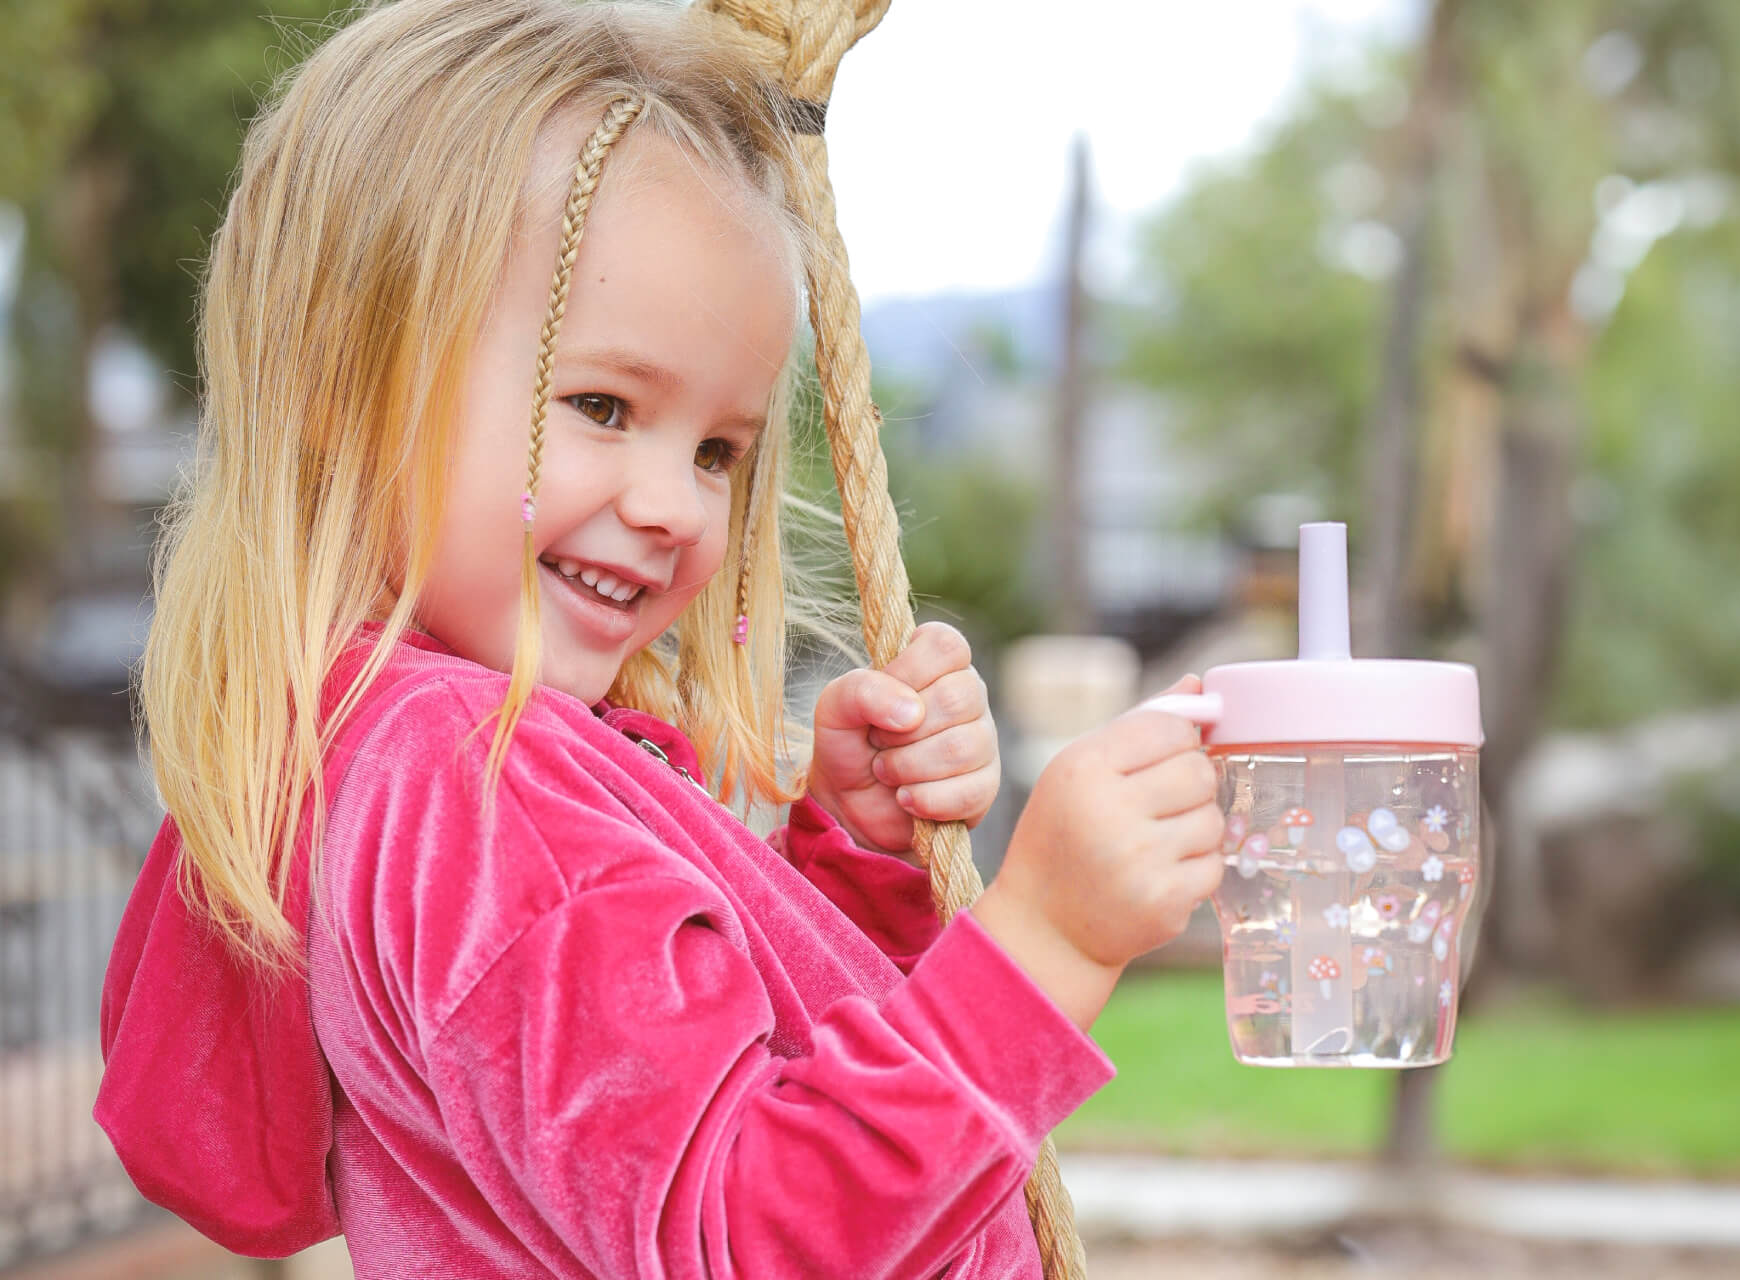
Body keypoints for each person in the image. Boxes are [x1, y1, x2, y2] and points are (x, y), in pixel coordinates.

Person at [93, 2, 1225, 1276]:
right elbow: (753, 1236)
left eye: (716, 451)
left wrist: (855, 869)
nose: (673, 503)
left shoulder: (406, 766)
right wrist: (1049, 942)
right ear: (343, 374)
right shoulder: (476, 784)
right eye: (598, 404)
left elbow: (690, 1118)